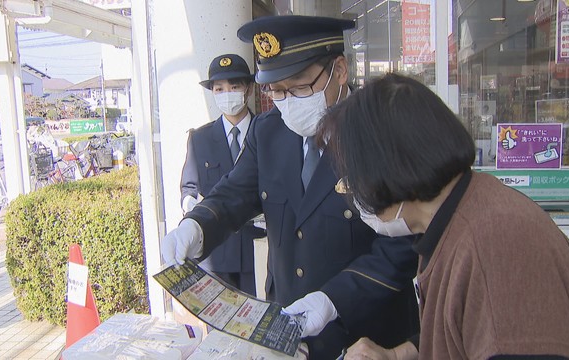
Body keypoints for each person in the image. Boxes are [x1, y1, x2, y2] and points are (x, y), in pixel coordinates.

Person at [315, 73, 569, 360]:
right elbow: (465, 330)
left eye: (351, 179)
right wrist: (399, 354)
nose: (351, 192)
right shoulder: (458, 213)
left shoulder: (497, 245)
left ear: (387, 171)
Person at [161, 16, 419, 358]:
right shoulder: (268, 132)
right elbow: (235, 192)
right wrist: (196, 225)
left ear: (339, 71)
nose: (288, 102)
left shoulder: (382, 134)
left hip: (368, 337)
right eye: (276, 91)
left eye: (298, 88)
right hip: (287, 332)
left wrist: (333, 299)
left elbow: (405, 244)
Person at [179, 53, 265, 295]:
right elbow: (189, 186)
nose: (227, 94)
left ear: (248, 89)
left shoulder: (267, 134)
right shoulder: (200, 138)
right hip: (217, 254)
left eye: (234, 87)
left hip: (258, 249)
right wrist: (190, 206)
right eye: (219, 89)